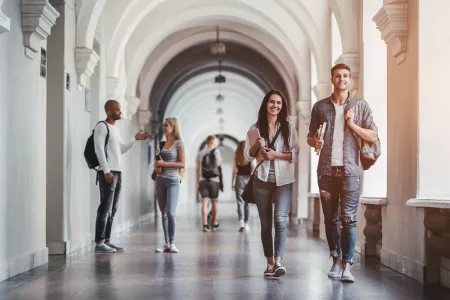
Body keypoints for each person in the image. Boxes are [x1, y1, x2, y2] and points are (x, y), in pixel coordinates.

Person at [307, 63, 378, 282]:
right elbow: (309, 137)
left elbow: (373, 136)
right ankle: (336, 260)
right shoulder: (320, 107)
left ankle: (347, 265)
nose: (342, 79)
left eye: (346, 75)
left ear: (350, 80)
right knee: (330, 219)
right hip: (326, 171)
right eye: (338, 75)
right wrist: (314, 141)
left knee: (349, 219)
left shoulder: (360, 106)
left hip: (351, 171)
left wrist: (352, 124)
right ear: (332, 79)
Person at [244, 89, 300, 277]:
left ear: (282, 107)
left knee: (280, 220)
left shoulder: (289, 127)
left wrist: (275, 154)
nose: (275, 106)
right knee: (266, 223)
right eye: (271, 102)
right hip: (262, 179)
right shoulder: (255, 127)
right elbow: (247, 155)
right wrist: (256, 145)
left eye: (278, 103)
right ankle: (269, 263)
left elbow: (295, 154)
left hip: (284, 180)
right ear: (266, 104)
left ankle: (278, 261)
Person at [94, 99, 149, 253]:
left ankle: (107, 240)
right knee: (105, 206)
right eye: (117, 110)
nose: (120, 112)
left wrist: (135, 140)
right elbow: (98, 149)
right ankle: (99, 242)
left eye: (120, 109)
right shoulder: (102, 127)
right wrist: (106, 171)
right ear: (109, 111)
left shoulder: (116, 130)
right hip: (108, 172)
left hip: (117, 171)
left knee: (114, 207)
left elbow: (121, 150)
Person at [153, 118, 185, 253]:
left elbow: (182, 164)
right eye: (163, 125)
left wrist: (165, 164)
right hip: (160, 180)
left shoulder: (179, 144)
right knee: (163, 213)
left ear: (173, 127)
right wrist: (157, 166)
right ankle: (166, 243)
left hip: (172, 180)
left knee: (171, 213)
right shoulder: (160, 144)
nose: (164, 128)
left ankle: (173, 243)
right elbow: (157, 165)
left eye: (166, 125)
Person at [196, 135, 222, 232]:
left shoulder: (200, 153)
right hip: (214, 180)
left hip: (203, 180)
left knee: (204, 202)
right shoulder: (216, 151)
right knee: (214, 202)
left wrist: (197, 183)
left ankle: (205, 225)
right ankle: (214, 222)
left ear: (206, 142)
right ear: (213, 142)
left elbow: (198, 169)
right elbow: (218, 163)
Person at [232, 141, 254, 232]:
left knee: (239, 201)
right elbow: (253, 169)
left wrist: (232, 183)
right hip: (248, 179)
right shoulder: (251, 155)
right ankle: (246, 223)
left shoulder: (236, 156)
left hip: (239, 179)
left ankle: (241, 221)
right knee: (247, 203)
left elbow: (233, 171)